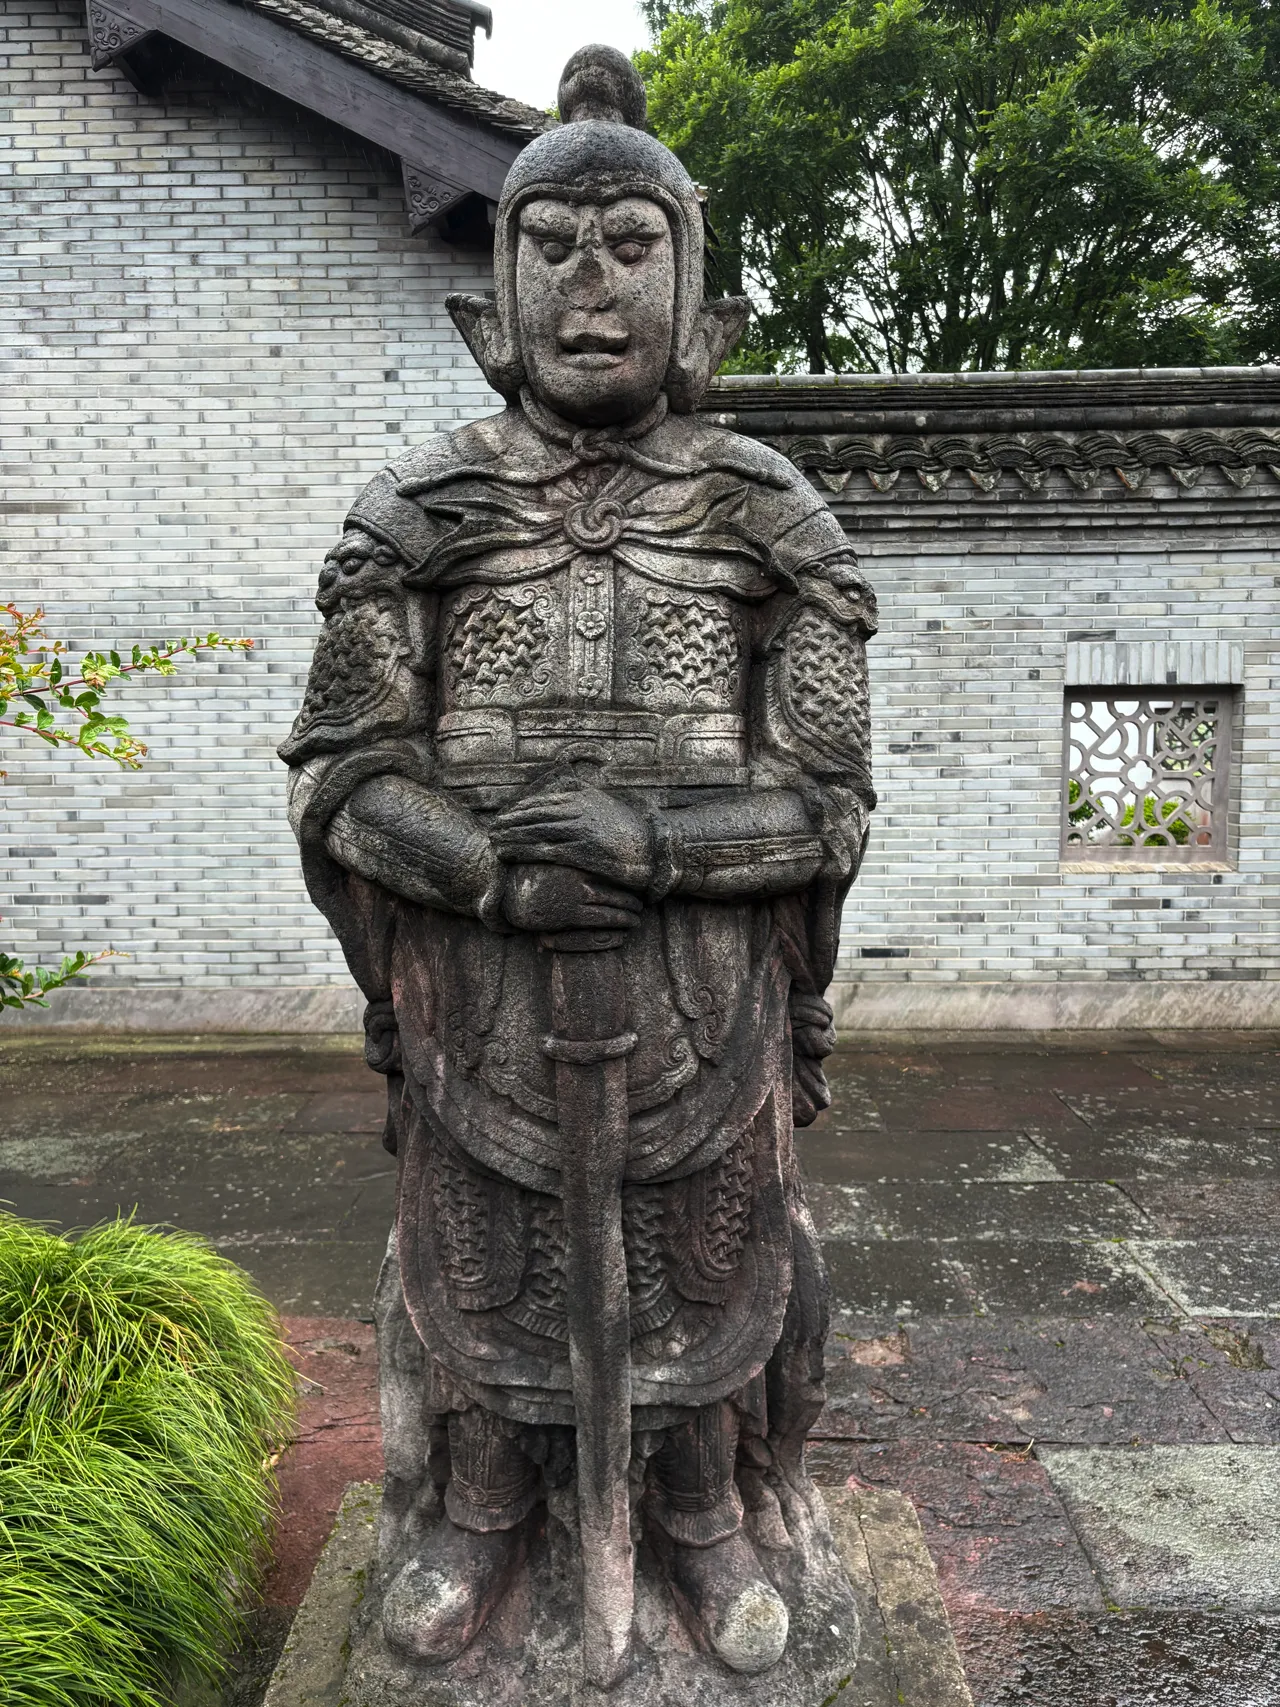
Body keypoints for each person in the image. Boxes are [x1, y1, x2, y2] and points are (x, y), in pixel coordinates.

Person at [281, 43, 876, 1690]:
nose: (590, 285)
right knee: (482, 1250)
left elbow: (826, 800)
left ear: (694, 290)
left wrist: (654, 845)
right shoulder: (420, 513)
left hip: (704, 989)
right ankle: (478, 1510)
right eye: (551, 248)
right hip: (481, 981)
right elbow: (343, 774)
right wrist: (477, 872)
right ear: (497, 288)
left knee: (708, 1248)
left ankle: (702, 1516)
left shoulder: (772, 518)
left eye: (631, 247)